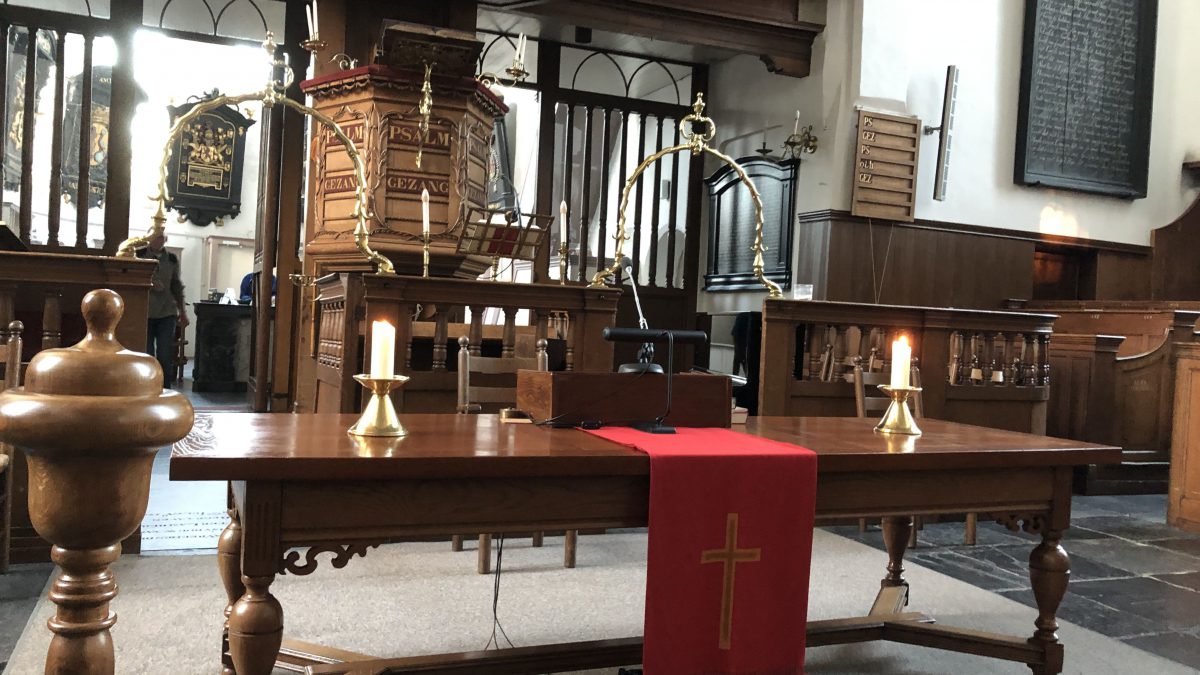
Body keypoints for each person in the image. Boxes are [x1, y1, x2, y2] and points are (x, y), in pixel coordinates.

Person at [138, 232, 188, 388]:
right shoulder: (139, 254)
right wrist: (151, 283)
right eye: (155, 236)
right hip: (145, 312)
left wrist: (183, 312)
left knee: (165, 354)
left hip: (167, 313)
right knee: (146, 354)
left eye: (161, 237)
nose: (158, 240)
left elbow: (176, 286)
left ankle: (164, 389)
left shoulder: (171, 259)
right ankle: (146, 387)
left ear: (165, 240)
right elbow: (133, 277)